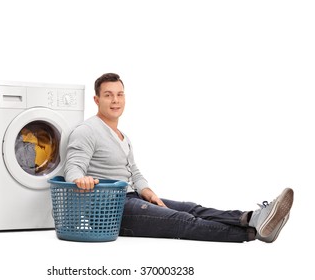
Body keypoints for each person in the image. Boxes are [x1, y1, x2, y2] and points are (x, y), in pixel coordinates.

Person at [64, 73, 294, 243]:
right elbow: (72, 166)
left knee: (191, 208)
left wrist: (150, 194)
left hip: (132, 199)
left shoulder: (123, 136)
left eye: (120, 94)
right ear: (96, 100)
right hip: (110, 211)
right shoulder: (87, 130)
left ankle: (253, 217)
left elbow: (133, 171)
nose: (115, 100)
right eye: (108, 95)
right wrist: (79, 180)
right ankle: (252, 233)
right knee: (182, 220)